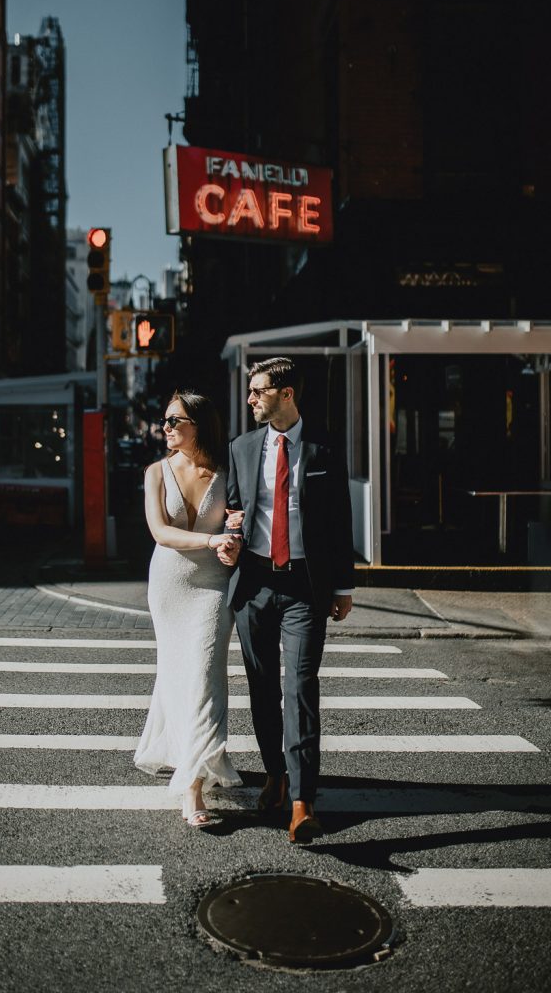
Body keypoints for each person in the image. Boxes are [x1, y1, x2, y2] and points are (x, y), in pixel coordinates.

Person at [217, 357, 354, 844]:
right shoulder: (242, 447)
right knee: (261, 687)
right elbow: (234, 510)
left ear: (287, 393)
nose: (251, 399)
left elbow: (339, 520)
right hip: (254, 585)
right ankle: (274, 774)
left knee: (299, 688)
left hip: (304, 587)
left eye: (258, 391)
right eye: (251, 392)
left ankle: (302, 802)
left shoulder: (324, 449)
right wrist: (229, 535)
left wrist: (343, 585)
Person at [134, 391, 243, 828]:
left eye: (175, 420)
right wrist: (211, 540)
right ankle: (186, 754)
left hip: (213, 586)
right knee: (178, 673)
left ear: (198, 423)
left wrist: (233, 538)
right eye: (165, 421)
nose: (166, 427)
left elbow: (239, 519)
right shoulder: (156, 472)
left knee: (204, 675)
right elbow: (160, 532)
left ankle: (193, 784)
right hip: (169, 584)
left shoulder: (227, 469)